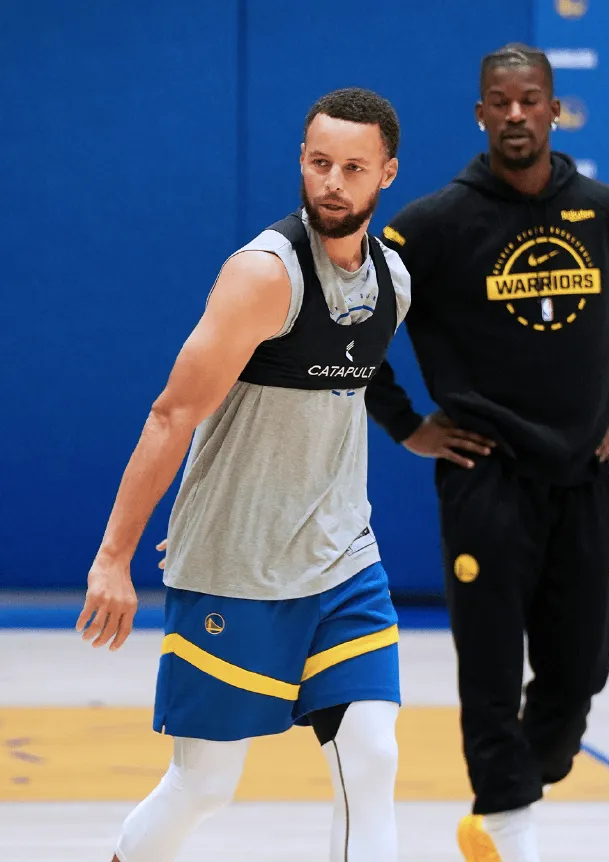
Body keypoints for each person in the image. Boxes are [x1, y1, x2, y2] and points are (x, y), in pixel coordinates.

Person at [76, 87, 411, 862]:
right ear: (301, 159)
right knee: (204, 786)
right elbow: (171, 415)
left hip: (342, 562)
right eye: (320, 162)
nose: (332, 180)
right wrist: (112, 557)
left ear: (386, 174)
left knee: (373, 760)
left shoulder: (392, 282)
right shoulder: (264, 276)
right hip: (239, 569)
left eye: (353, 167)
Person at [366, 44, 609, 862]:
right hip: (485, 475)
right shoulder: (432, 225)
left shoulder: (607, 214)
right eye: (499, 102)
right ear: (479, 114)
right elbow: (355, 324)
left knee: (577, 679)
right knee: (493, 673)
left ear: (554, 109)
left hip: (583, 475)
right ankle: (506, 828)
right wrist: (406, 423)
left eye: (530, 100)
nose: (515, 115)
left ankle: (518, 790)